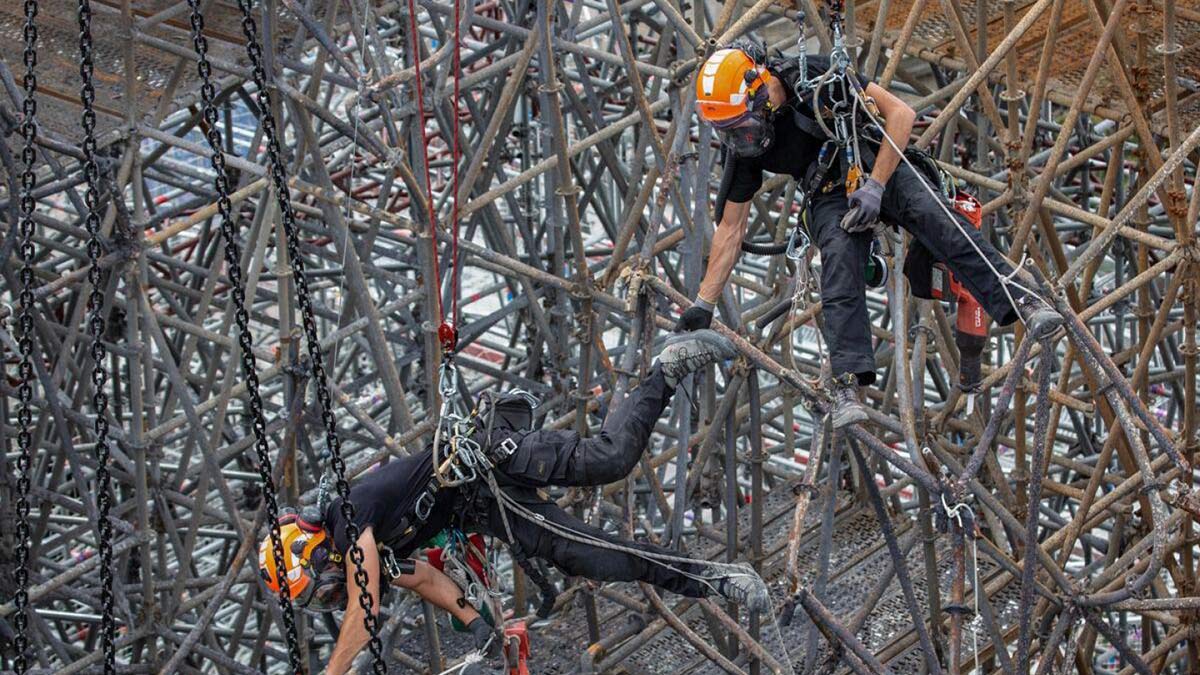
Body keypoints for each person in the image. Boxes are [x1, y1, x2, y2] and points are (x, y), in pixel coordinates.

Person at [258, 330, 769, 675]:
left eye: (319, 588)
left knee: (611, 460)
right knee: (591, 555)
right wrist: (482, 629)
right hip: (484, 502)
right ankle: (718, 579)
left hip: (487, 461)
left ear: (315, 552)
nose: (329, 596)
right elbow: (428, 580)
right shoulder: (370, 551)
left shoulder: (349, 521)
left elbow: (363, 612)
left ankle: (666, 367)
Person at [681, 42, 1062, 429]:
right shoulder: (746, 148)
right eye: (728, 132)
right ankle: (848, 383)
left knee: (936, 218)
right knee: (838, 260)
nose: (740, 138)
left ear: (759, 93)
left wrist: (876, 186)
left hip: (879, 161)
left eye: (741, 126)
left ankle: (1023, 299)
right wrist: (702, 305)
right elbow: (731, 229)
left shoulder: (815, 78)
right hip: (828, 193)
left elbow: (901, 114)